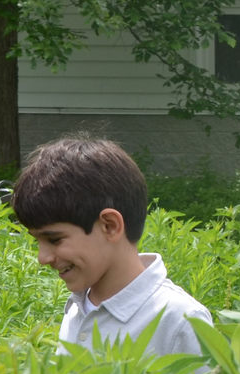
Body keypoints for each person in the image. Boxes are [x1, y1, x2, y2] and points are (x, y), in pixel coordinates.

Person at [12, 136, 210, 357]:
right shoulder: (78, 307)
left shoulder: (180, 320)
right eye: (36, 240)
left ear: (110, 226)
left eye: (54, 239)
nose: (42, 257)